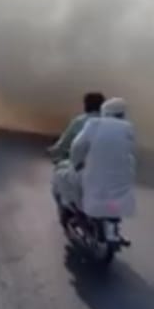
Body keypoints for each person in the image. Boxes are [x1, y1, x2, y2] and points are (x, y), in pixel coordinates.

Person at [66, 97, 137, 242]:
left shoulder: (94, 124)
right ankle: (112, 227)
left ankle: (81, 216)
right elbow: (130, 153)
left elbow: (77, 147)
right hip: (121, 179)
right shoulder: (128, 128)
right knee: (114, 200)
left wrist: (76, 163)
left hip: (94, 177)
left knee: (72, 182)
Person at [48, 92, 105, 161]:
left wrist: (52, 151)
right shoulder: (111, 123)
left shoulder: (79, 121)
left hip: (82, 161)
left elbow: (64, 143)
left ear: (86, 105)